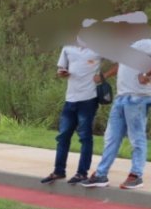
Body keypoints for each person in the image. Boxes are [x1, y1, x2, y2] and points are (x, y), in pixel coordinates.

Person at [81, 34, 151, 190]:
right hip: (121, 98)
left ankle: (136, 176)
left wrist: (147, 75)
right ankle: (101, 174)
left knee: (136, 138)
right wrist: (104, 76)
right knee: (111, 137)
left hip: (137, 97)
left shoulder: (144, 43)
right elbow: (121, 65)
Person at [44, 39, 103, 184]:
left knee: (85, 137)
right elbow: (61, 69)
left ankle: (82, 173)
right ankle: (59, 171)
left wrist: (104, 76)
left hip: (88, 99)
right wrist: (62, 73)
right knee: (63, 136)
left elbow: (119, 60)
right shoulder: (68, 47)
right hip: (70, 98)